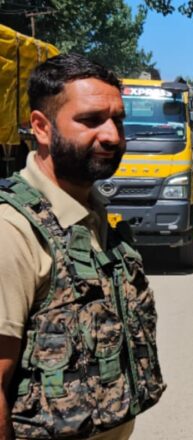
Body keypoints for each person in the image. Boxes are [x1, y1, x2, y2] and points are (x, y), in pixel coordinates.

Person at [0, 54, 164, 440]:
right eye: (90, 121)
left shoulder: (92, 216)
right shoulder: (14, 230)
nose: (112, 135)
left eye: (118, 120)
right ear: (41, 127)